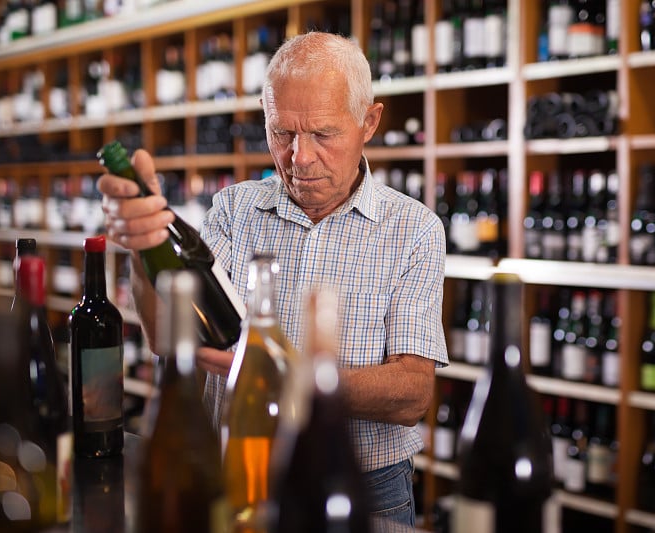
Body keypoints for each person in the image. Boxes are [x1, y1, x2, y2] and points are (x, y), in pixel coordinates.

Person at [97, 31, 449, 527]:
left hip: (362, 486)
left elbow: (412, 393)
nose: (299, 158)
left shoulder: (414, 230)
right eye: (281, 133)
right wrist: (141, 247)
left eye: (323, 134)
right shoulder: (233, 210)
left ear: (369, 122)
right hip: (235, 468)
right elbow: (163, 335)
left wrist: (279, 378)